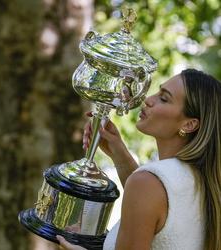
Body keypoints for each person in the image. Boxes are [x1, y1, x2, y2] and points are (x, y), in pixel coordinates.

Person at [56, 69, 221, 250]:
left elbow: (149, 192)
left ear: (189, 124)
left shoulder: (149, 183)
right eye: (158, 92)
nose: (149, 100)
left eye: (164, 98)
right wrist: (119, 153)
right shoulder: (204, 181)